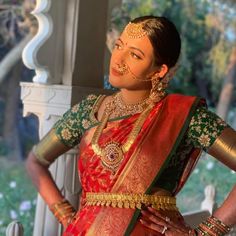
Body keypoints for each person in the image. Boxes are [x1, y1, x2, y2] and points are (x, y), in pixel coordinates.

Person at [26, 16, 236, 236]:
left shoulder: (184, 116)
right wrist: (67, 217)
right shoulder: (88, 111)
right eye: (118, 46)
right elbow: (36, 162)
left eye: (135, 55)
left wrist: (207, 232)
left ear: (159, 71)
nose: (118, 60)